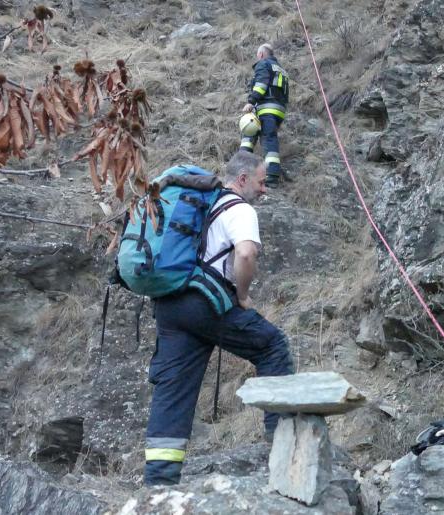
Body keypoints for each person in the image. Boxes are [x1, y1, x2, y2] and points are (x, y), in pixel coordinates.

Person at [144, 152, 293, 486]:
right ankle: (283, 448)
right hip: (205, 304)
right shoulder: (239, 208)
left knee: (174, 390)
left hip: (171, 303)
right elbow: (245, 252)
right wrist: (241, 296)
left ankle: (158, 484)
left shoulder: (201, 206)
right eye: (261, 181)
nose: (264, 190)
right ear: (242, 180)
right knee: (272, 346)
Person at [240, 43, 290, 187]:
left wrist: (251, 101)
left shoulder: (263, 64)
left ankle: (269, 175)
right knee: (260, 136)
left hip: (266, 108)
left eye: (258, 54)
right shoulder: (281, 69)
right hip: (279, 111)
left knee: (252, 134)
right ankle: (251, 170)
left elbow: (261, 85)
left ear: (261, 54)